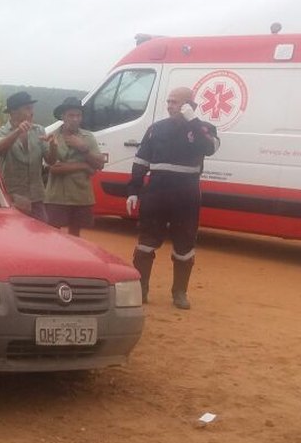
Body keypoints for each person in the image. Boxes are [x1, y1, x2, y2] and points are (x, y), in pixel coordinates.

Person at [125, 86, 220, 309]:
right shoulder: (155, 129)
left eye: (175, 102)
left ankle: (179, 293)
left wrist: (193, 121)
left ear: (189, 105)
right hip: (156, 193)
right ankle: (141, 290)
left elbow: (209, 148)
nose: (169, 106)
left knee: (184, 246)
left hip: (186, 197)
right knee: (146, 243)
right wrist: (132, 190)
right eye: (168, 102)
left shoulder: (204, 128)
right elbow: (140, 162)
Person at [45, 97, 104, 236]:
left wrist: (83, 148)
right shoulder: (52, 137)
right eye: (71, 115)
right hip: (56, 195)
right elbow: (52, 168)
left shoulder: (88, 137)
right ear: (63, 116)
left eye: (78, 115)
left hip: (81, 195)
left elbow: (99, 164)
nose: (75, 119)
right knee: (53, 235)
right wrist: (83, 166)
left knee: (75, 237)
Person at [0, 91, 49, 221]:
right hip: (12, 198)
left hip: (36, 197)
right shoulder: (2, 131)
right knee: (13, 235)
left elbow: (50, 160)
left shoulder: (39, 130)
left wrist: (53, 146)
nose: (32, 112)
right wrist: (18, 131)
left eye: (32, 108)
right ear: (13, 112)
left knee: (41, 233)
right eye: (27, 108)